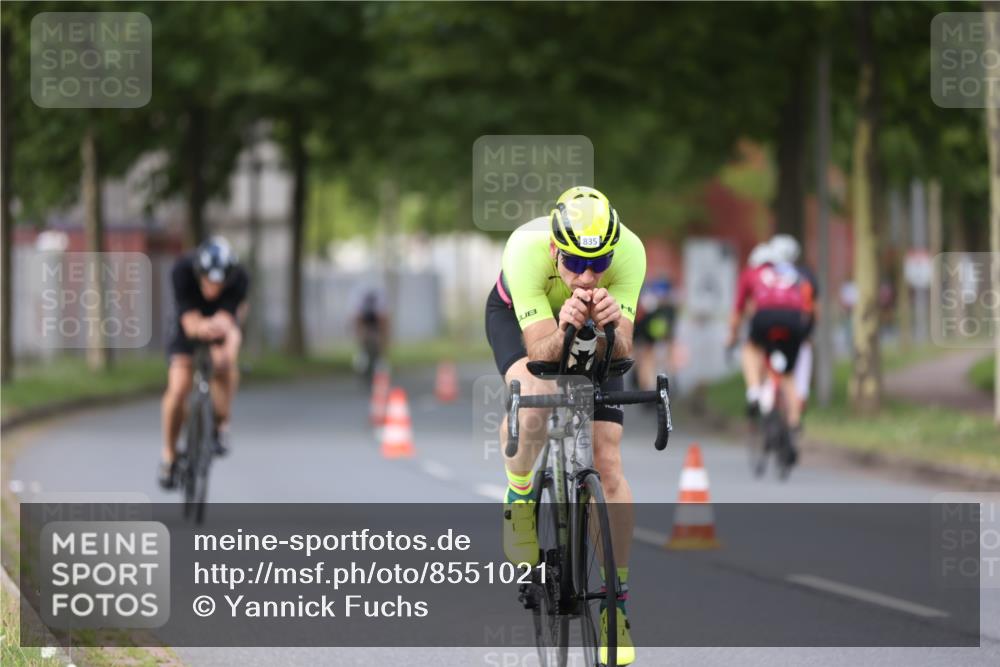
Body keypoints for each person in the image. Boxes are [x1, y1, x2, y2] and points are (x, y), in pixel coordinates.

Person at [485, 185, 645, 665]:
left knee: (608, 458)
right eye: (575, 263)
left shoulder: (632, 254)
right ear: (555, 250)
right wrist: (563, 325)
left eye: (600, 264)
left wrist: (613, 328)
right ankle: (519, 496)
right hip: (525, 324)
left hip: (593, 334)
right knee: (536, 392)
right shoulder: (525, 250)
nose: (589, 276)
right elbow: (539, 354)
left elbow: (623, 352)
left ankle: (615, 606)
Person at [159, 237, 249, 489]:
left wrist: (226, 347)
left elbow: (231, 321)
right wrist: (201, 327)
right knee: (178, 387)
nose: (214, 287)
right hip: (189, 321)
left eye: (220, 282)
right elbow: (189, 323)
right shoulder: (182, 271)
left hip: (222, 322)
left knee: (225, 363)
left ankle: (222, 423)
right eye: (209, 280)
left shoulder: (240, 278)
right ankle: (169, 455)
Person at [727, 236, 813, 463]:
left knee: (751, 348)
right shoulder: (790, 273)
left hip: (765, 317)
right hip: (795, 321)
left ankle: (755, 391)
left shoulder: (750, 273)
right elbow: (806, 304)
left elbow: (737, 312)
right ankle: (794, 424)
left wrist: (731, 337)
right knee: (788, 375)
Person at [770, 234, 817, 414]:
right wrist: (808, 332)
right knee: (797, 370)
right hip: (798, 331)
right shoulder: (805, 277)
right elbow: (811, 308)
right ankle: (798, 407)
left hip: (771, 330)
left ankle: (761, 393)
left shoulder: (766, 274)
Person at [633, 276, 677, 394]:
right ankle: (649, 387)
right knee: (648, 359)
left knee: (649, 360)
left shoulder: (651, 301)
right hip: (649, 335)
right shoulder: (667, 306)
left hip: (649, 334)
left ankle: (649, 387)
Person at [352, 286, 390, 382]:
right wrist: (360, 338)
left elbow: (383, 323)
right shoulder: (359, 304)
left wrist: (383, 342)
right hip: (364, 317)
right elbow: (358, 321)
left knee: (378, 340)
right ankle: (363, 357)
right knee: (364, 338)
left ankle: (379, 361)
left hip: (376, 319)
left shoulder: (380, 304)